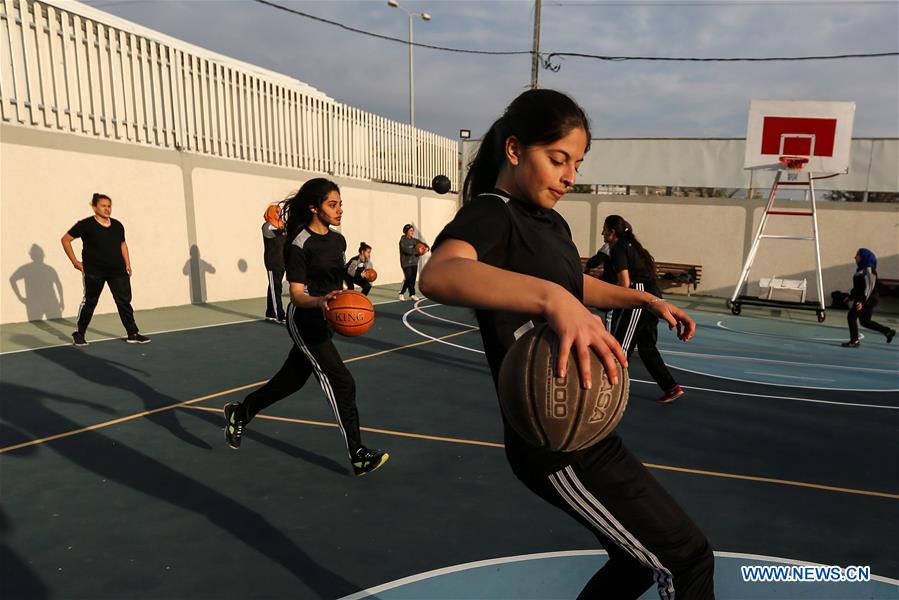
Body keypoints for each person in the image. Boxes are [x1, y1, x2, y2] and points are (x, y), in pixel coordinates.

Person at [419, 89, 714, 600]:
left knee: (634, 563)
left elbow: (576, 285)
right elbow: (439, 273)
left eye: (576, 163)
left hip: (585, 427)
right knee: (685, 558)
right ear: (514, 150)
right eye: (558, 160)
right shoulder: (492, 213)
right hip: (552, 441)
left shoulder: (548, 221)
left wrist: (642, 300)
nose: (570, 175)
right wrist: (552, 298)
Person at [223, 178, 389, 477]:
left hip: (327, 319)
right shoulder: (299, 244)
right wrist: (321, 301)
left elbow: (339, 273)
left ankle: (241, 412)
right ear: (314, 207)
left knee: (290, 381)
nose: (340, 210)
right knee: (342, 381)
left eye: (340, 204)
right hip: (305, 319)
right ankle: (358, 454)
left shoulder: (337, 240)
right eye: (333, 204)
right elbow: (297, 294)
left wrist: (362, 274)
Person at [603, 215, 684, 404]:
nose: (602, 233)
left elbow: (625, 282)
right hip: (653, 295)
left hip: (640, 297)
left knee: (621, 348)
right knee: (647, 347)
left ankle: (608, 391)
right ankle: (671, 387)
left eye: (605, 229)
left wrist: (610, 297)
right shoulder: (633, 247)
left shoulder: (618, 248)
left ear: (612, 232)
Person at [61, 193, 150, 346]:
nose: (107, 209)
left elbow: (123, 244)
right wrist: (75, 262)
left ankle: (132, 333)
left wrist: (127, 263)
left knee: (124, 302)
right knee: (90, 302)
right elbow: (66, 240)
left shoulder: (117, 225)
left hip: (118, 271)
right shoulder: (85, 225)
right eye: (103, 206)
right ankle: (79, 333)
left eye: (109, 206)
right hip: (94, 272)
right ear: (94, 207)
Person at [842, 247, 895, 347]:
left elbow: (869, 287)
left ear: (863, 257)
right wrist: (850, 297)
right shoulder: (861, 270)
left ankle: (854, 341)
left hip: (867, 299)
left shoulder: (869, 270)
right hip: (865, 299)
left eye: (857, 255)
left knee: (851, 316)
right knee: (865, 321)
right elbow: (858, 288)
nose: (855, 257)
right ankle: (888, 331)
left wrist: (861, 302)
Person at [262, 204, 287, 323]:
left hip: (282, 261)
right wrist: (284, 231)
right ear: (271, 213)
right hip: (273, 261)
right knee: (276, 287)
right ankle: (279, 314)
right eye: (277, 212)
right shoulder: (267, 226)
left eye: (280, 211)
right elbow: (272, 234)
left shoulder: (282, 225)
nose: (279, 214)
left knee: (274, 287)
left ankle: (271, 312)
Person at [398, 224, 428, 301]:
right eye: (410, 230)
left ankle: (412, 294)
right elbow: (407, 251)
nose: (412, 232)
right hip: (406, 263)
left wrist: (426, 248)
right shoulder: (403, 241)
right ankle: (401, 293)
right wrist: (418, 251)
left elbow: (424, 244)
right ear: (406, 231)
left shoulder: (415, 240)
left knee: (413, 279)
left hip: (414, 262)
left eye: (412, 230)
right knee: (408, 278)